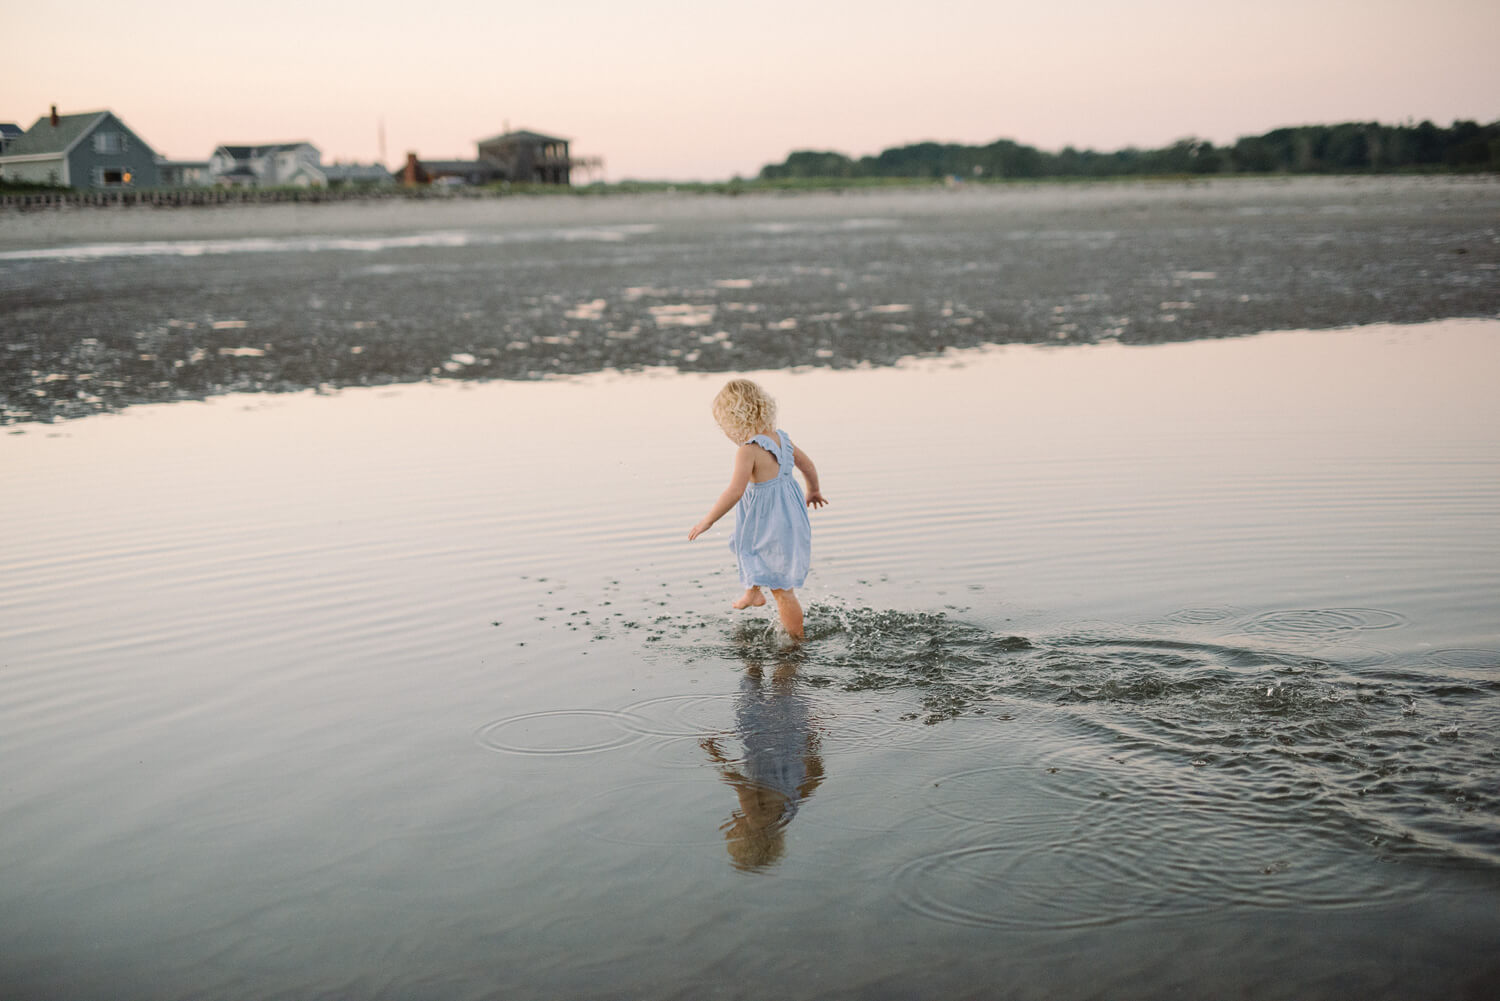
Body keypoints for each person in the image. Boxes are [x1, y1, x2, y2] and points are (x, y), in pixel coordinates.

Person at [688, 378, 828, 640]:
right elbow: (808, 466)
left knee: (781, 588)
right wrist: (814, 490)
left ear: (734, 421)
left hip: (770, 519)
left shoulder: (748, 450)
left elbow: (734, 491)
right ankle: (752, 591)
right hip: (788, 514)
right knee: (746, 546)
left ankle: (796, 643)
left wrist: (708, 521)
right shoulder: (782, 439)